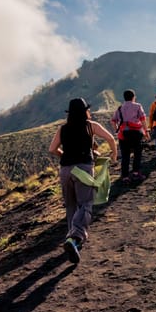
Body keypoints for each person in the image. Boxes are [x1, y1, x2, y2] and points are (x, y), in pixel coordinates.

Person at [49, 98, 117, 264]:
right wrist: (114, 155)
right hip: (83, 169)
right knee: (86, 203)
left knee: (71, 205)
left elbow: (52, 149)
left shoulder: (62, 129)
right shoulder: (90, 125)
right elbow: (110, 139)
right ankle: (74, 238)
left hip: (65, 170)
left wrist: (64, 156)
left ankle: (72, 239)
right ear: (85, 110)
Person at [110, 89, 149, 184]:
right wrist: (146, 131)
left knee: (125, 156)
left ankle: (125, 177)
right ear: (133, 97)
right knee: (137, 154)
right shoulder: (138, 106)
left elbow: (113, 121)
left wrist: (117, 130)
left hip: (123, 135)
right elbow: (143, 119)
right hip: (136, 133)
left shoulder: (120, 108)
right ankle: (136, 173)